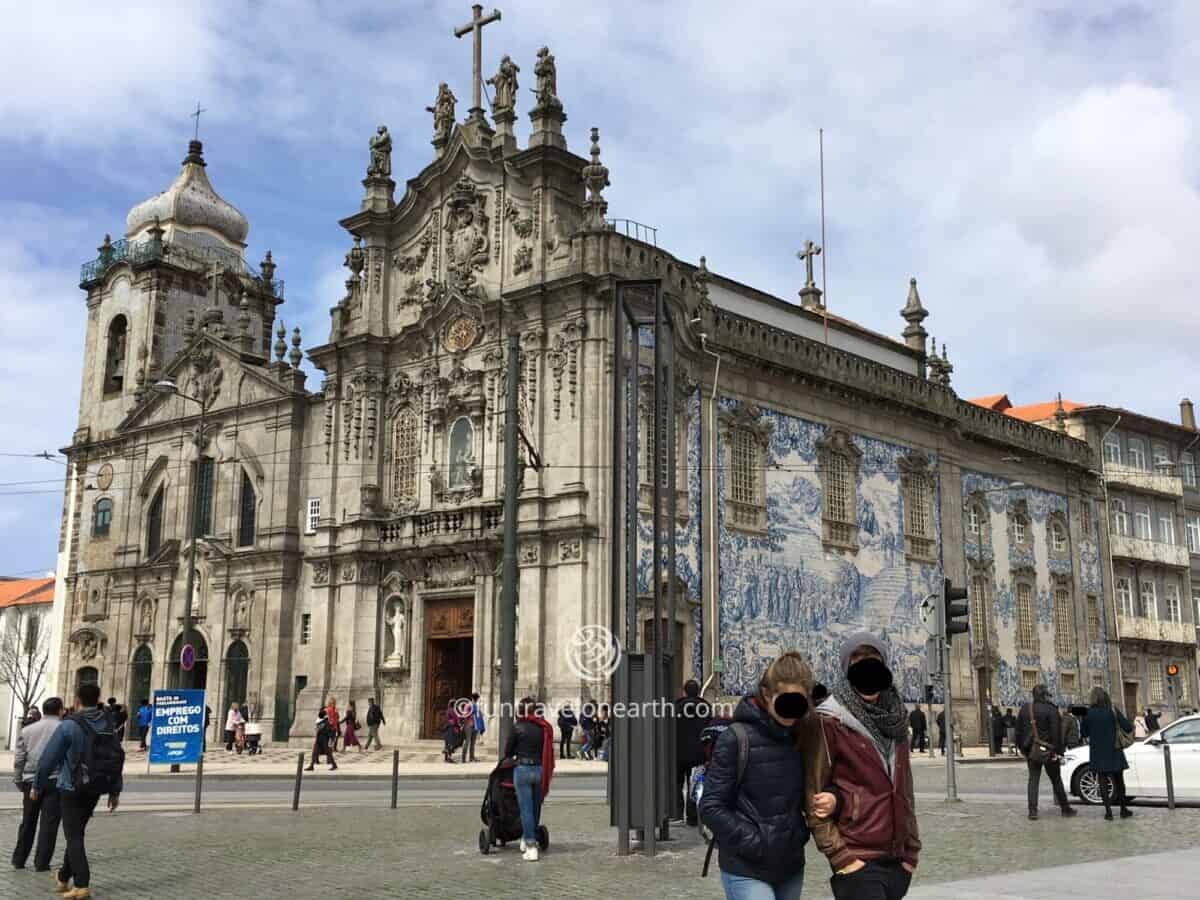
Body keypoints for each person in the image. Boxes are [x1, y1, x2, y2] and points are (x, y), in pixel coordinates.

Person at [700, 651, 833, 899]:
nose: (792, 714)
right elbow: (710, 806)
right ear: (767, 694)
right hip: (746, 866)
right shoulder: (736, 739)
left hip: (791, 865)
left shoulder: (802, 735)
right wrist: (756, 842)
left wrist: (830, 800)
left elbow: (822, 782)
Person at [806, 632, 918, 900]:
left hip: (896, 861)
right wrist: (841, 857)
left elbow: (905, 788)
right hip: (857, 859)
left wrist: (911, 851)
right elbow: (813, 795)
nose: (865, 664)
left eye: (872, 657)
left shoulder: (897, 719)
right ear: (847, 668)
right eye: (857, 658)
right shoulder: (829, 720)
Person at [33, 682, 125, 899]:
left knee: (74, 836)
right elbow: (117, 758)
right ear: (98, 699)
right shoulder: (107, 723)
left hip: (71, 787)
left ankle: (82, 884)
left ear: (76, 700)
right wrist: (115, 791)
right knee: (77, 833)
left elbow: (48, 759)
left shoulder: (69, 725)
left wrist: (37, 784)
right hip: (96, 787)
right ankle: (64, 877)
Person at [12, 697, 65, 872]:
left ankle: (19, 859)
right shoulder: (64, 729)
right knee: (49, 824)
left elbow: (19, 758)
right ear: (60, 710)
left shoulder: (28, 730)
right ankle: (42, 862)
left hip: (30, 780)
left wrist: (18, 779)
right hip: (55, 780)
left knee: (28, 820)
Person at [503, 697, 555, 862]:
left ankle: (531, 846)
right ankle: (526, 838)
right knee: (535, 808)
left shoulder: (518, 727)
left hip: (523, 770)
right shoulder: (544, 728)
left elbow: (508, 752)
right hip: (540, 770)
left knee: (525, 809)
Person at [1015, 684, 1075, 820]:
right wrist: (1058, 751)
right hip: (1049, 751)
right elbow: (1056, 733)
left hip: (1032, 751)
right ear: (1045, 695)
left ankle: (1032, 811)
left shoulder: (1025, 709)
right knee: (1056, 780)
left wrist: (1023, 749)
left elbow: (1018, 730)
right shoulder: (1051, 709)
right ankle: (1065, 808)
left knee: (1033, 780)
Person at [1082, 688, 1134, 821]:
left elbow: (1084, 733)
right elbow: (1127, 726)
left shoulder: (1089, 713)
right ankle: (1123, 809)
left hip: (1098, 752)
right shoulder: (1112, 710)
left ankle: (1108, 812)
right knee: (1119, 781)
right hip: (1115, 750)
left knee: (1103, 781)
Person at [675, 679, 712, 825]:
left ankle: (677, 813)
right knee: (696, 783)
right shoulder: (705, 707)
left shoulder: (676, 707)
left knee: (677, 783)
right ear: (697, 691)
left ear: (684, 691)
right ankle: (693, 816)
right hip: (699, 753)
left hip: (679, 752)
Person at [460, 693, 478, 763]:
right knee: (467, 741)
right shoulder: (468, 705)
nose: (476, 700)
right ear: (474, 698)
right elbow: (464, 715)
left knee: (473, 742)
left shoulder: (476, 706)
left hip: (475, 725)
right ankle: (463, 758)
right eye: (476, 698)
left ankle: (471, 757)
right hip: (468, 725)